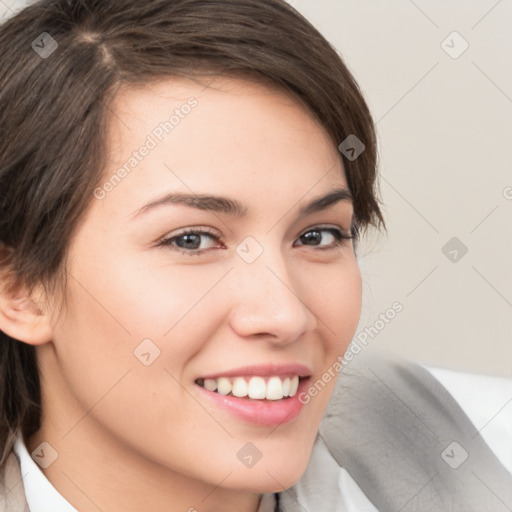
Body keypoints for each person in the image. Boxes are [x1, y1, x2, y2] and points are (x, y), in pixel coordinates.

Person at [0, 1, 510, 511]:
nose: (286, 315)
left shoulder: (481, 445)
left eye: (317, 236)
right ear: (19, 288)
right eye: (191, 240)